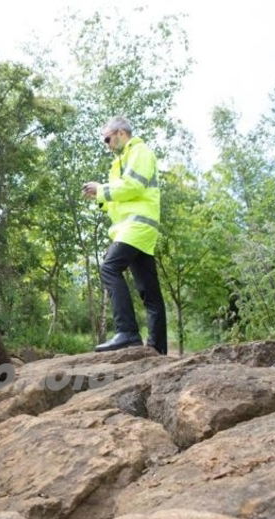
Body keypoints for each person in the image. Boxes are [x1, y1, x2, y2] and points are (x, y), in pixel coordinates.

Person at [82, 117, 167, 355]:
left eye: (107, 138)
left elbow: (134, 187)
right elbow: (119, 200)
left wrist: (102, 189)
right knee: (149, 292)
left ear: (120, 133)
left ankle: (127, 332)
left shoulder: (140, 151)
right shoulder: (118, 163)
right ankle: (157, 350)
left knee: (109, 268)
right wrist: (99, 197)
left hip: (137, 225)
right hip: (133, 228)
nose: (106, 144)